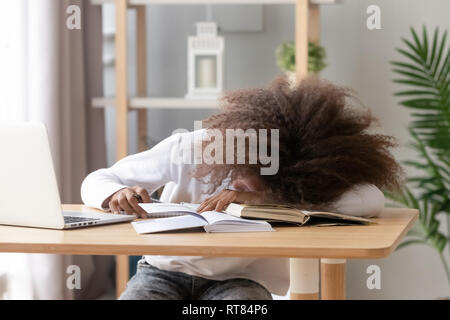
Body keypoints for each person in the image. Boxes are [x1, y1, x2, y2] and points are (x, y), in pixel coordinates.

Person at [81, 76, 402, 300]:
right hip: (163, 272)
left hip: (242, 280)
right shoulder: (192, 149)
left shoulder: (296, 182)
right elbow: (96, 180)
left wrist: (266, 199)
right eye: (240, 169)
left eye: (257, 180)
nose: (238, 181)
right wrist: (113, 194)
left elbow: (370, 199)